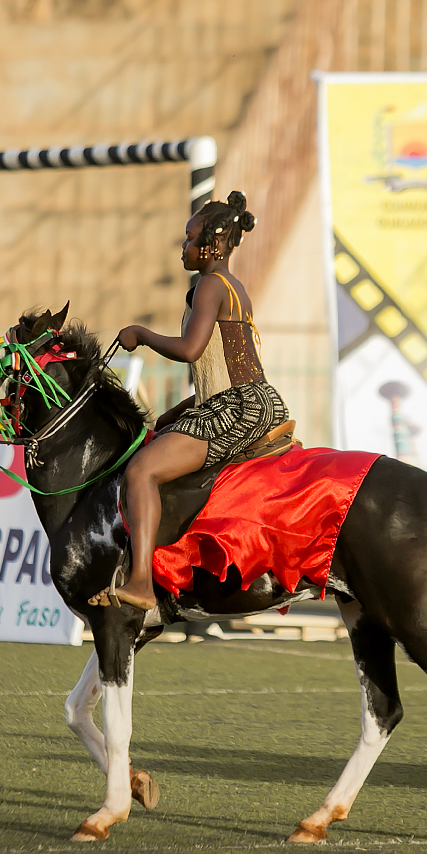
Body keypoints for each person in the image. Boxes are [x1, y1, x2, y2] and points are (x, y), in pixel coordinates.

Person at [93, 191, 289, 610]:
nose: (183, 247)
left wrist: (139, 333)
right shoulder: (231, 288)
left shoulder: (210, 286)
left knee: (142, 470)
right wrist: (178, 412)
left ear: (213, 245)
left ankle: (143, 582)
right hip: (246, 401)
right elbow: (220, 371)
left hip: (238, 409)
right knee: (157, 439)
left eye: (189, 238)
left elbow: (191, 350)